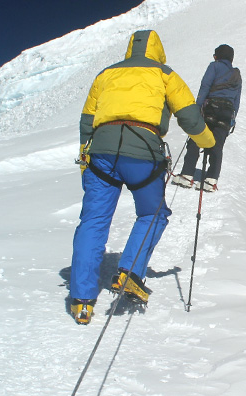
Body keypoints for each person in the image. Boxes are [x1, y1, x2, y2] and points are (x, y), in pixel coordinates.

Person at [69, 29, 215, 325]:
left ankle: (82, 300)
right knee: (153, 213)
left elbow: (87, 120)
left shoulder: (105, 75)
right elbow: (189, 116)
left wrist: (86, 157)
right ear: (158, 51)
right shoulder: (164, 74)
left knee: (94, 220)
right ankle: (130, 272)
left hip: (101, 152)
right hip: (142, 151)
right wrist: (208, 141)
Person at [171, 44, 242, 193]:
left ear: (218, 56)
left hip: (210, 109)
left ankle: (187, 175)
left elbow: (205, 86)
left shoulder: (214, 67)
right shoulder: (236, 74)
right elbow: (237, 99)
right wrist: (232, 119)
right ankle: (211, 180)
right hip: (227, 113)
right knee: (217, 144)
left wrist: (197, 109)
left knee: (196, 139)